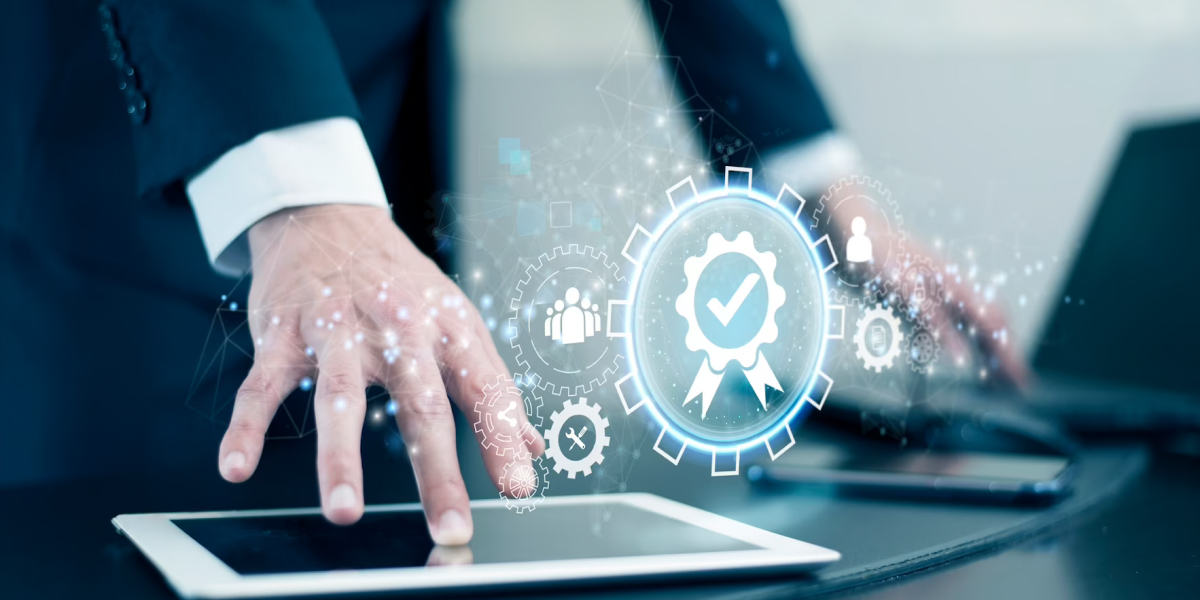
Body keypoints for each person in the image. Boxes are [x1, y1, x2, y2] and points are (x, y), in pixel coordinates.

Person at [0, 0, 1026, 546]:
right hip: (126, 166)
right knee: (115, 543)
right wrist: (296, 182)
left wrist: (818, 176)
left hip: (378, 149)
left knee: (374, 536)